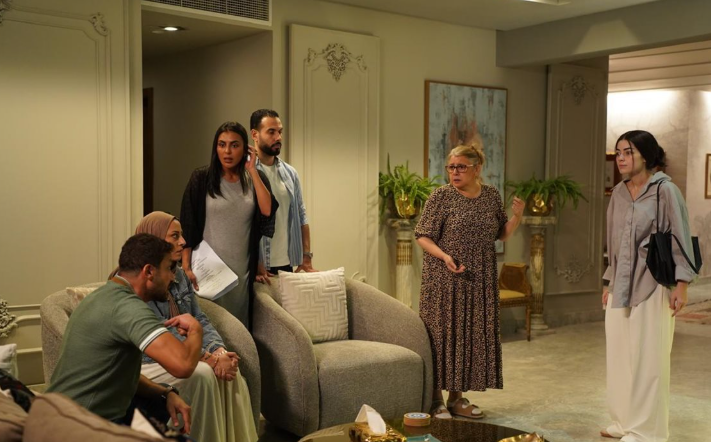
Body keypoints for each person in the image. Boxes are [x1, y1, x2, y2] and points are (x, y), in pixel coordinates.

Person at [48, 234, 201, 432]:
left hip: (58, 414)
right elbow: (183, 366)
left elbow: (123, 376)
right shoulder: (128, 308)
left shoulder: (101, 296)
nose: (172, 277)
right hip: (82, 427)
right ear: (149, 271)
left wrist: (165, 393)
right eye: (168, 269)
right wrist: (195, 330)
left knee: (159, 402)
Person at [415, 144, 524, 420]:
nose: (455, 172)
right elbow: (423, 236)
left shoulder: (491, 196)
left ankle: (456, 398)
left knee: (467, 337)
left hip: (479, 279)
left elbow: (501, 234)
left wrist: (517, 217)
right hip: (444, 279)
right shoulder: (441, 196)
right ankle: (435, 400)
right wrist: (445, 256)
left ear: (477, 169)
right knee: (442, 337)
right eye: (451, 167)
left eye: (461, 167)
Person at [602, 130, 696, 442]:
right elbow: (613, 240)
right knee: (619, 355)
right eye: (618, 152)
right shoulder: (618, 192)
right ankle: (623, 421)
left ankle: (645, 431)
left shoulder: (666, 190)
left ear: (646, 155)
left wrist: (681, 284)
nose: (621, 158)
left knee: (649, 359)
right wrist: (608, 280)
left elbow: (681, 237)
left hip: (654, 282)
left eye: (628, 152)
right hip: (620, 285)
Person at [134, 211, 258, 442]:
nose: (183, 242)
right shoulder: (141, 279)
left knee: (230, 371)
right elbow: (160, 335)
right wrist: (208, 358)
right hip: (149, 359)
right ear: (155, 239)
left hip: (186, 351)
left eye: (181, 235)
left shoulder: (179, 275)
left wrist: (219, 352)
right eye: (175, 236)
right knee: (204, 372)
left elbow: (199, 319)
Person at [180, 121, 277, 328]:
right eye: (222, 144)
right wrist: (185, 267)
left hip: (241, 269)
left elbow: (267, 211)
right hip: (208, 269)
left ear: (245, 149)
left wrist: (252, 170)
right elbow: (188, 223)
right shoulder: (201, 178)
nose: (227, 151)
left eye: (234, 145)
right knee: (210, 327)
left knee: (239, 329)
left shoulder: (255, 178)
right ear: (215, 148)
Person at [250, 109, 317, 281]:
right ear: (255, 135)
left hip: (286, 263)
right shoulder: (246, 172)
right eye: (271, 132)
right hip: (256, 265)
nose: (278, 137)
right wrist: (254, 261)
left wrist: (306, 255)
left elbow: (301, 215)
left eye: (280, 132)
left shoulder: (290, 173)